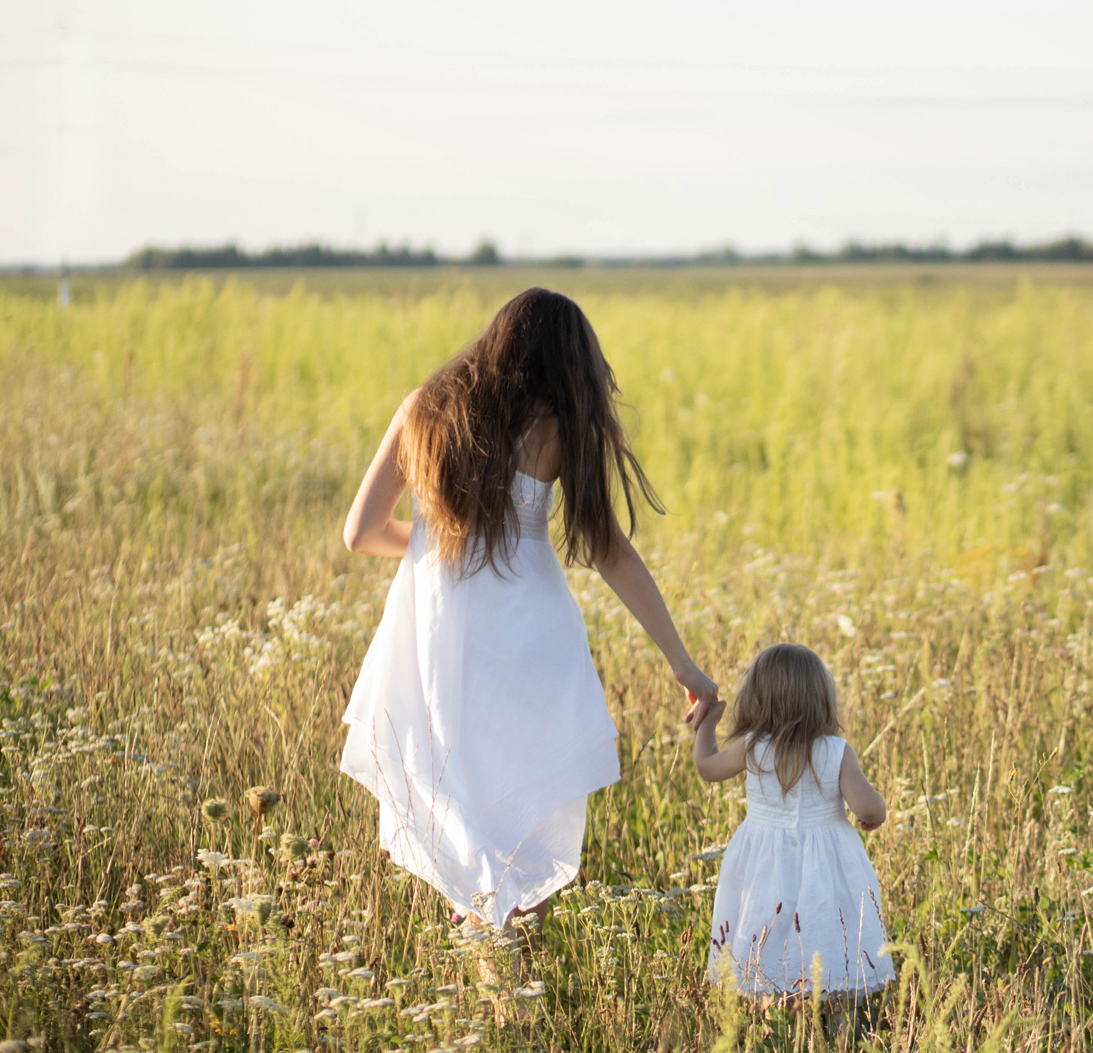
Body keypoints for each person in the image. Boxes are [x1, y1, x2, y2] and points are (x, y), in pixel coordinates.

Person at [339, 287, 718, 929]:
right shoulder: (556, 427)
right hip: (533, 644)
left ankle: (489, 958)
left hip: (440, 645)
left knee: (461, 808)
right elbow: (609, 551)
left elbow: (361, 533)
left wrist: (441, 537)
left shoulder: (422, 411)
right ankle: (504, 960)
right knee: (523, 818)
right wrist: (684, 664)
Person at [692, 643, 894, 998]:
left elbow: (707, 767)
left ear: (757, 698)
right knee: (829, 927)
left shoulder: (751, 747)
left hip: (763, 862)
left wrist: (706, 725)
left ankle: (772, 1019)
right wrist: (875, 815)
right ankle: (838, 1019)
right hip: (826, 864)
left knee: (763, 927)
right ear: (821, 698)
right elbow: (868, 807)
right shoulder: (835, 751)